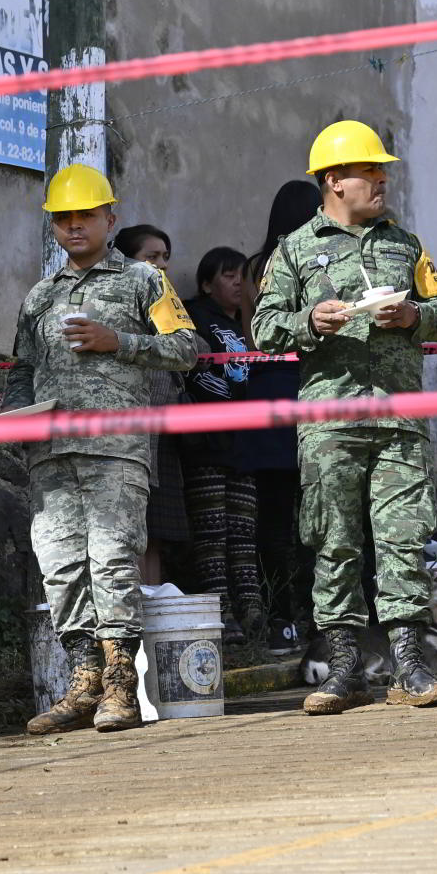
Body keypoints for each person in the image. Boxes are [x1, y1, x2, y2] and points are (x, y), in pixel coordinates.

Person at [252, 121, 437, 714]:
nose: (382, 180)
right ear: (334, 180)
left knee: (402, 539)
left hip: (398, 419)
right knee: (334, 541)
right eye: (371, 171)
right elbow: (264, 329)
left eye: (382, 171)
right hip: (330, 420)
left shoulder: (406, 245)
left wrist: (414, 317)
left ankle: (408, 663)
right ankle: (342, 666)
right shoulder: (293, 249)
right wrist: (309, 323)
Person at [8, 165, 198, 736]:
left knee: (113, 560)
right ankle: (82, 684)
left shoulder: (143, 281)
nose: (73, 226)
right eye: (62, 218)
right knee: (61, 568)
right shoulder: (40, 296)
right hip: (50, 453)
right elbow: (22, 370)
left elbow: (186, 347)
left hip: (116, 447)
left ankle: (121, 688)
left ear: (109, 220)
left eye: (85, 216)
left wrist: (121, 342)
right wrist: (15, 419)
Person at [241, 181, 321, 657]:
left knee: (276, 518)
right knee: (304, 519)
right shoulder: (298, 261)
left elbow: (256, 331)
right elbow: (265, 332)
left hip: (269, 393)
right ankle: (303, 617)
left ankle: (282, 621)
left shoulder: (256, 266)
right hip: (295, 388)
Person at [181, 245, 264, 643]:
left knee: (244, 533)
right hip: (206, 442)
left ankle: (253, 613)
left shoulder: (245, 325)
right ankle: (220, 615)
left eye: (240, 276)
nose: (237, 283)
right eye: (228, 276)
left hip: (242, 443)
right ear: (206, 283)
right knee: (212, 534)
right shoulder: (194, 314)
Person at [114, 224, 191, 590]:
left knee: (155, 535)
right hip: (130, 438)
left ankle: (156, 611)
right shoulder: (122, 303)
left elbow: (195, 347)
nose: (161, 265)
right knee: (128, 532)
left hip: (163, 440)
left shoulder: (167, 303)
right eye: (151, 257)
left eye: (165, 258)